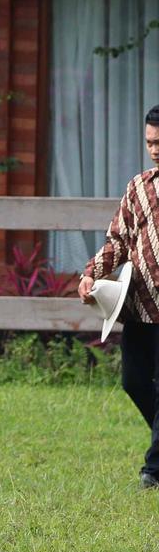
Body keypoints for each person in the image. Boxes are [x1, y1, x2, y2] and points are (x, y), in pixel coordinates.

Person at [79, 104, 159, 489]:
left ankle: (153, 470)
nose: (155, 149)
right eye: (149, 142)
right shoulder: (139, 187)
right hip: (141, 308)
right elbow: (118, 241)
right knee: (134, 381)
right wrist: (90, 273)